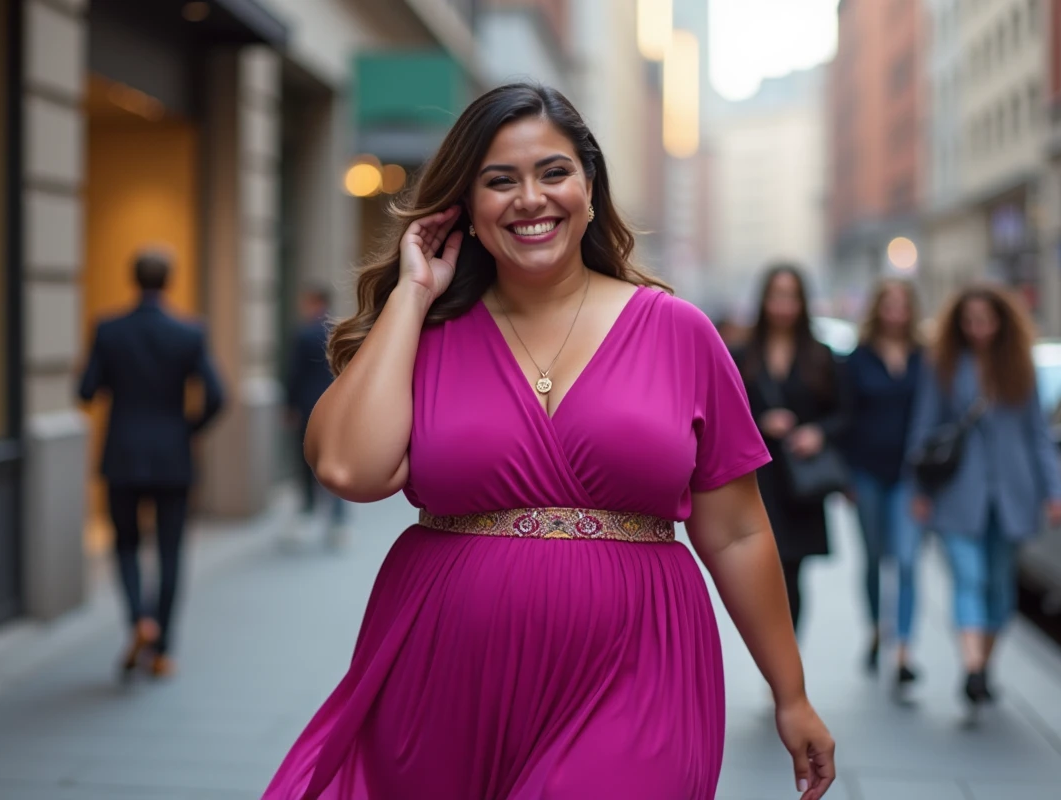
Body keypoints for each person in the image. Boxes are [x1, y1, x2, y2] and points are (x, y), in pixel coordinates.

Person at [262, 83, 834, 800]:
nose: (529, 198)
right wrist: (412, 294)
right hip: (444, 676)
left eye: (553, 173)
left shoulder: (679, 332)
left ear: (590, 188)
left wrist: (791, 694)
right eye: (499, 181)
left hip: (638, 669)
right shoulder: (426, 335)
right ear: (464, 207)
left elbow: (740, 531)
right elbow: (349, 467)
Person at [906, 284, 1061, 708]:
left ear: (1001, 322)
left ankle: (983, 666)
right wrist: (920, 489)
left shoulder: (1019, 366)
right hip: (957, 493)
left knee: (1000, 588)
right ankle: (973, 666)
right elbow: (923, 430)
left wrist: (1055, 490)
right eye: (969, 320)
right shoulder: (942, 364)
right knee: (968, 577)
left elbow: (1038, 435)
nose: (977, 328)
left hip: (1013, 494)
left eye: (985, 320)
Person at [78, 248, 225, 679]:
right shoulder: (189, 332)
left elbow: (87, 391)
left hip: (122, 453)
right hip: (172, 455)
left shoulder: (108, 329)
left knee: (124, 544)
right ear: (169, 281)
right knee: (170, 550)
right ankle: (161, 649)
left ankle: (139, 620)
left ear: (133, 279)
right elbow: (217, 395)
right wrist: (190, 430)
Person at [732, 264, 850, 635]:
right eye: (776, 295)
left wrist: (817, 432)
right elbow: (724, 411)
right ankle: (774, 659)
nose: (783, 304)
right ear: (764, 300)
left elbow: (845, 415)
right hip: (758, 477)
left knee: (793, 571)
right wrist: (759, 423)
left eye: (791, 296)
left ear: (802, 302)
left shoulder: (821, 355)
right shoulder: (742, 354)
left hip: (802, 478)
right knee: (762, 571)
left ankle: (786, 663)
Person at [843, 280, 924, 692]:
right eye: (888, 304)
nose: (896, 312)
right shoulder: (857, 359)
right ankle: (877, 628)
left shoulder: (923, 358)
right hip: (866, 473)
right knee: (874, 558)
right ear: (878, 309)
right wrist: (846, 477)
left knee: (907, 561)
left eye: (902, 304)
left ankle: (904, 649)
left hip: (909, 477)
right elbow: (845, 417)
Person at [285, 286, 348, 549]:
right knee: (337, 463)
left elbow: (294, 374)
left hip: (308, 409)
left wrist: (290, 406)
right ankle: (338, 523)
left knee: (307, 465)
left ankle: (308, 517)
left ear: (314, 302)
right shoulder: (341, 331)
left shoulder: (304, 333)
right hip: (336, 408)